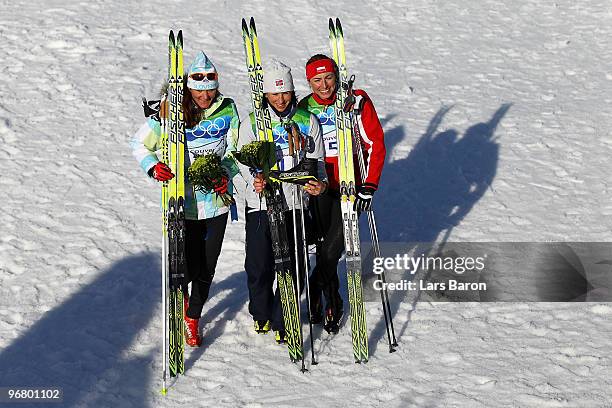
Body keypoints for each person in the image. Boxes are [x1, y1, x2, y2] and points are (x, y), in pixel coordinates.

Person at [131, 51, 240, 347]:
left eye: (210, 88)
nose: (205, 95)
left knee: (207, 266)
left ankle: (193, 316)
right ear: (188, 87)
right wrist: (154, 166)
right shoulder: (169, 112)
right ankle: (180, 301)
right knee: (185, 266)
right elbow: (140, 144)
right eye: (198, 89)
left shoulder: (227, 109)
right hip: (183, 203)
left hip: (216, 202)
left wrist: (225, 173)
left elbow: (235, 150)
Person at [237, 60, 327, 343]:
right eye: (274, 94)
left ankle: (283, 316)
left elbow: (317, 161)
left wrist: (319, 184)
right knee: (259, 265)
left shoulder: (306, 120)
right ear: (265, 94)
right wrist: (254, 180)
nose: (280, 99)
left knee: (295, 264)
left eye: (285, 93)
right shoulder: (253, 122)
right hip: (262, 203)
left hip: (295, 203)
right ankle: (261, 313)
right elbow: (241, 160)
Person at [298, 54, 386, 333]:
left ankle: (317, 293)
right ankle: (331, 301)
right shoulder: (304, 106)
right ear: (309, 82)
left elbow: (376, 144)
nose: (324, 85)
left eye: (328, 78)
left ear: (336, 75)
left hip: (350, 187)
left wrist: (369, 185)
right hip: (320, 187)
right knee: (326, 247)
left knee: (332, 249)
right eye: (317, 80)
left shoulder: (356, 99)